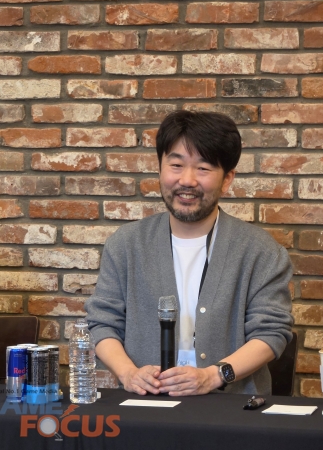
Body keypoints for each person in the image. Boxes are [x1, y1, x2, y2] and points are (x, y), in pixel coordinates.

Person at [85, 110, 293, 396]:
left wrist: (213, 376)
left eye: (203, 168)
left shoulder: (261, 251)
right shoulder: (126, 245)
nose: (187, 180)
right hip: (146, 405)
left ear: (227, 179)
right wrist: (128, 373)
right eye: (176, 165)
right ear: (160, 169)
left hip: (233, 409)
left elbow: (271, 332)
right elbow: (102, 323)